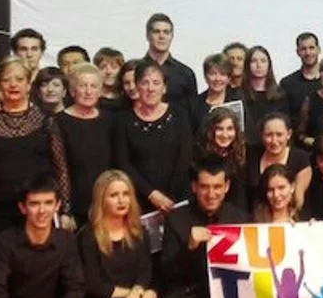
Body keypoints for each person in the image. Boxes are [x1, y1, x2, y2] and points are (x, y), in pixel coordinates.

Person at [0, 57, 72, 248]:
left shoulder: (46, 120)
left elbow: (60, 168)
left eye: (19, 79)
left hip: (35, 209)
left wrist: (65, 211)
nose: (13, 84)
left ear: (28, 85)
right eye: (6, 80)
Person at [157, 156, 248, 298]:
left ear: (227, 186)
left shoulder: (241, 219)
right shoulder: (176, 218)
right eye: (205, 187)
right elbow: (167, 272)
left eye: (217, 187)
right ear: (194, 187)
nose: (211, 194)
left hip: (227, 292)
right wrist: (189, 248)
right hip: (188, 291)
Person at [77, 171, 161, 298]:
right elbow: (92, 283)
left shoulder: (138, 231)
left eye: (126, 194)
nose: (122, 200)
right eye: (114, 195)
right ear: (101, 199)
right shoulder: (88, 235)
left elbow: (145, 272)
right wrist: (133, 295)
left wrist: (137, 293)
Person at [113, 60, 193, 215]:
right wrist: (151, 194)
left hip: (176, 198)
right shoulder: (122, 120)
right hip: (139, 200)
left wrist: (167, 197)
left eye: (156, 83)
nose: (150, 88)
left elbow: (185, 156)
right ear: (137, 86)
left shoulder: (180, 114)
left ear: (164, 88)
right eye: (145, 83)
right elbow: (122, 162)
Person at [59, 63, 113, 222]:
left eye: (93, 86)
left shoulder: (110, 121)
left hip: (107, 202)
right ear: (72, 91)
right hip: (73, 205)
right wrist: (65, 210)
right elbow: (58, 169)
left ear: (100, 91)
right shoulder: (57, 122)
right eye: (82, 86)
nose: (88, 91)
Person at [246, 113, 311, 211]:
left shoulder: (301, 159)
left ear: (289, 134)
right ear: (262, 135)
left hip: (290, 215)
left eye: (279, 134)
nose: (274, 140)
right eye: (269, 135)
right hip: (255, 215)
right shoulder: (251, 155)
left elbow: (298, 200)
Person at [197, 107, 248, 210]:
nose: (225, 135)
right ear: (210, 130)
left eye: (230, 129)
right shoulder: (199, 154)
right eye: (219, 129)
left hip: (237, 211)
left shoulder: (243, 153)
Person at [142, 13, 197, 105]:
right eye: (156, 32)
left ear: (172, 36)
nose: (161, 36)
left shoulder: (186, 74)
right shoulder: (135, 70)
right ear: (147, 36)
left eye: (166, 32)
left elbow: (193, 109)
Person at [242, 46, 288, 143]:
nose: (259, 65)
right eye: (254, 61)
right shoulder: (239, 94)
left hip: (273, 143)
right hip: (246, 145)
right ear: (247, 65)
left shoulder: (280, 94)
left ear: (269, 65)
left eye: (263, 61)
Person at [187, 53, 242, 133]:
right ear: (205, 77)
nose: (217, 79)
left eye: (222, 74)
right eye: (212, 74)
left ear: (229, 78)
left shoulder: (237, 101)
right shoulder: (194, 105)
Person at [279, 32, 322, 124]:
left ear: (318, 50)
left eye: (311, 48)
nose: (308, 53)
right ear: (298, 52)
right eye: (303, 49)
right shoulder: (287, 84)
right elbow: (283, 119)